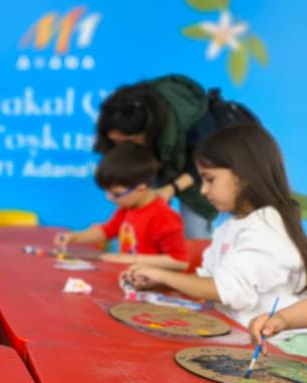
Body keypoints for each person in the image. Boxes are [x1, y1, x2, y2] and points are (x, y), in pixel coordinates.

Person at [123, 124, 307, 347]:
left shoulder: (267, 227)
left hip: (275, 346)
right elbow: (208, 281)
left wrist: (164, 276)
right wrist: (161, 284)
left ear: (244, 176)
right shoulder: (231, 226)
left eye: (210, 179)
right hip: (236, 336)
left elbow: (227, 290)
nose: (203, 190)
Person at [95, 75, 216, 238]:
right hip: (163, 158)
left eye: (129, 141)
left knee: (194, 229)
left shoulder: (188, 120)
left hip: (202, 164)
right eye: (116, 141)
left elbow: (204, 164)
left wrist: (170, 189)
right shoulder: (119, 116)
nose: (123, 147)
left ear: (147, 131)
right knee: (141, 220)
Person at [56, 142, 189, 270]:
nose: (109, 198)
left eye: (116, 194)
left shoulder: (164, 217)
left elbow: (179, 262)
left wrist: (126, 259)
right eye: (107, 192)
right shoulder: (128, 209)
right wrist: (74, 237)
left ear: (141, 187)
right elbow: (107, 231)